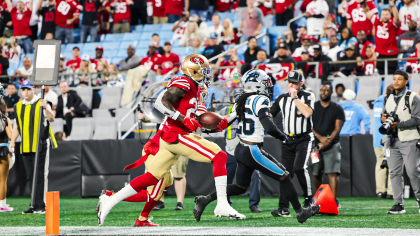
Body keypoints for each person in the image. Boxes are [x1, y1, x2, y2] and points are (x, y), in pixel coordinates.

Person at [97, 54, 246, 226]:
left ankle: (111, 200)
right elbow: (160, 103)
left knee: (152, 178)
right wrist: (183, 119)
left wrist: (233, 114)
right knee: (219, 156)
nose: (207, 75)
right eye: (203, 71)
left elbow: (204, 121)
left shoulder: (198, 90)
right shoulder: (184, 81)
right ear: (193, 71)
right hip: (176, 135)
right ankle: (222, 204)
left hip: (170, 138)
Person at [194, 69, 321, 222]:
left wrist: (212, 127)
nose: (268, 86)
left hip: (240, 148)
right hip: (252, 149)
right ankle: (300, 212)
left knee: (241, 187)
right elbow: (268, 125)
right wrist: (283, 137)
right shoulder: (260, 100)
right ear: (257, 85)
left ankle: (205, 199)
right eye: (265, 83)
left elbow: (227, 119)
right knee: (285, 176)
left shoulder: (241, 98)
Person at [270, 70, 316, 216]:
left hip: (304, 137)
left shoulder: (308, 95)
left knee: (300, 167)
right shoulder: (282, 98)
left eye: (295, 82)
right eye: (289, 81)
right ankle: (283, 207)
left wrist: (295, 98)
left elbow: (307, 113)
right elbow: (270, 114)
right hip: (288, 139)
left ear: (301, 83)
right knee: (284, 173)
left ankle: (309, 199)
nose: (291, 84)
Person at [9, 79, 57, 214]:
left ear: (34, 89)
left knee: (41, 174)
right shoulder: (18, 106)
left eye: (28, 89)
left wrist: (46, 108)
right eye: (23, 89)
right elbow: (17, 126)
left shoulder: (42, 102)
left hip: (40, 143)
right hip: (25, 145)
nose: (26, 92)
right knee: (31, 176)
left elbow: (52, 119)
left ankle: (42, 204)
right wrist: (12, 141)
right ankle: (34, 204)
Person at [381, 70, 420, 214]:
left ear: (406, 81)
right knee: (394, 173)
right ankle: (398, 204)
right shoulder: (388, 98)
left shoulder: (414, 97)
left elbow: (417, 119)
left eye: (399, 79)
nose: (396, 82)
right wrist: (383, 119)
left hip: (410, 138)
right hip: (392, 140)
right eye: (394, 79)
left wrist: (399, 124)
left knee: (413, 171)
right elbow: (383, 116)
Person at [217, 90, 262, 213]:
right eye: (235, 97)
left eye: (240, 97)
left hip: (247, 150)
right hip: (231, 150)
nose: (237, 99)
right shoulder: (226, 110)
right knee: (225, 178)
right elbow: (216, 121)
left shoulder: (251, 109)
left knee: (255, 175)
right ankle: (225, 203)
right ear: (231, 98)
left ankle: (254, 204)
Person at [311, 81, 345, 207]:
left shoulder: (337, 108)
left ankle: (334, 200)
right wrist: (321, 139)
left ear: (331, 92)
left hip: (333, 145)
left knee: (333, 173)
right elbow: (309, 126)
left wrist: (328, 140)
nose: (323, 92)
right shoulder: (313, 107)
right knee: (316, 173)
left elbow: (337, 128)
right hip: (315, 145)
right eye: (321, 90)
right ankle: (320, 197)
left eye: (326, 90)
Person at [363, 0, 399, 75]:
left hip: (391, 54)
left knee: (391, 75)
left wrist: (392, 5)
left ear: (390, 15)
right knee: (381, 75)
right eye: (383, 14)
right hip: (380, 54)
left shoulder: (392, 24)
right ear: (380, 15)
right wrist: (363, 3)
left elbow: (397, 19)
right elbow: (367, 12)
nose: (385, 16)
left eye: (387, 14)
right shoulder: (377, 21)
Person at [373, 84, 394, 199]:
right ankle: (391, 191)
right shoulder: (391, 103)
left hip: (377, 139)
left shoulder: (376, 102)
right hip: (388, 138)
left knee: (380, 164)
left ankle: (380, 191)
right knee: (392, 164)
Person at [0, 91, 12, 213]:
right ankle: (2, 205)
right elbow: (10, 135)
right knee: (2, 179)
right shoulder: (5, 118)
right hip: (2, 148)